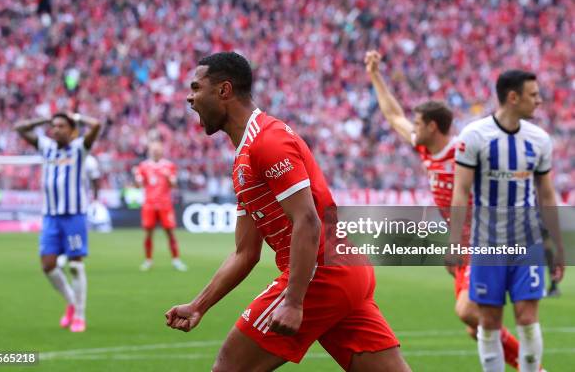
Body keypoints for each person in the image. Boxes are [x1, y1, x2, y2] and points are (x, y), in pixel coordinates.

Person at [167, 52, 410, 372]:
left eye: (196, 87)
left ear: (224, 91)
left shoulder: (268, 141)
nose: (189, 97)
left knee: (229, 368)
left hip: (323, 274)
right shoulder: (243, 159)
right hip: (343, 272)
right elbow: (245, 253)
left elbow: (307, 219)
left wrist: (294, 301)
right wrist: (199, 305)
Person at [364, 50, 523, 369]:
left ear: (433, 127)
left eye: (419, 123)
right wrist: (375, 76)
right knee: (473, 327)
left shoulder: (464, 151)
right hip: (463, 242)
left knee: (468, 312)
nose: (414, 128)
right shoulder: (425, 148)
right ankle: (524, 363)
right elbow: (394, 116)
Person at [450, 70, 564, 372]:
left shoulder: (539, 139)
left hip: (528, 244)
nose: (539, 100)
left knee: (527, 319)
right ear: (513, 97)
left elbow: (547, 195)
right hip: (487, 245)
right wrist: (453, 244)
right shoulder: (474, 136)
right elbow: (460, 192)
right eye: (533, 94)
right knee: (489, 321)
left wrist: (558, 248)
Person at [15, 112, 101, 333]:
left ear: (71, 130)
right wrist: (41, 121)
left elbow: (97, 124)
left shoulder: (80, 148)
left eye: (61, 126)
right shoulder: (46, 146)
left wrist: (79, 118)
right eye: (53, 126)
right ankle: (72, 301)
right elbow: (20, 128)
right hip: (51, 216)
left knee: (74, 265)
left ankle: (80, 315)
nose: (56, 129)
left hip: (73, 215)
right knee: (48, 266)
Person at [133, 140, 187, 272]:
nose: (155, 151)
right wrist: (136, 179)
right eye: (153, 149)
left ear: (162, 151)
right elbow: (138, 186)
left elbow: (174, 185)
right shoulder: (143, 166)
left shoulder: (169, 166)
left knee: (170, 233)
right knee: (148, 234)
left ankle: (176, 260)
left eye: (157, 149)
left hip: (165, 204)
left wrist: (169, 178)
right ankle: (148, 260)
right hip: (149, 204)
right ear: (149, 151)